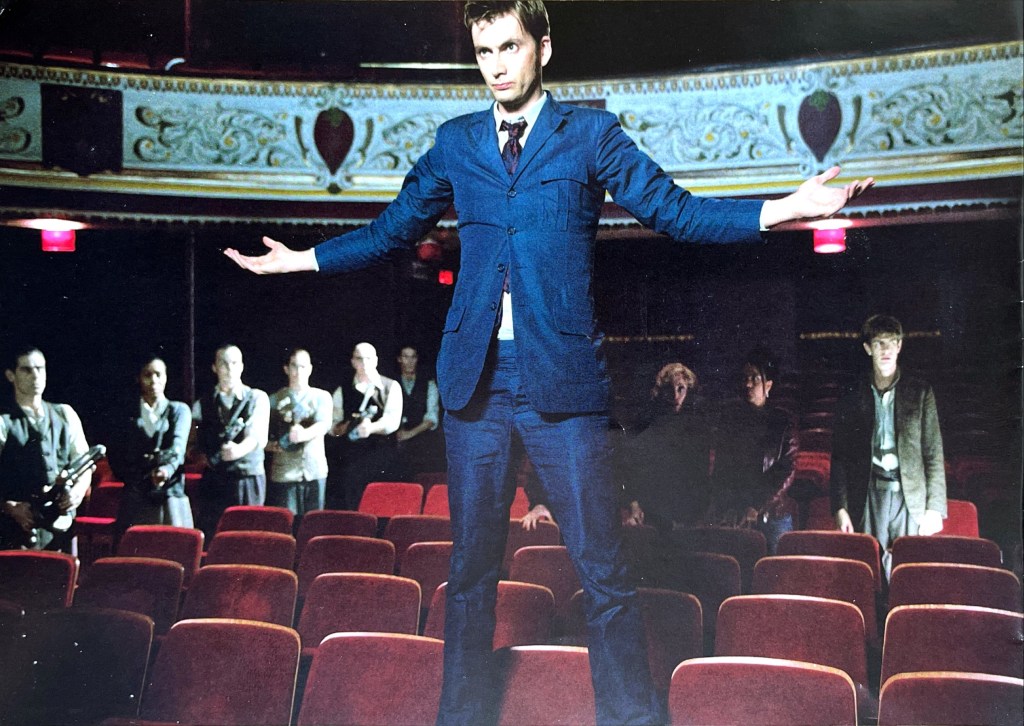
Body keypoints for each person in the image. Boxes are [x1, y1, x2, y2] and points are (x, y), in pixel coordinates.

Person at [223, 2, 872, 721]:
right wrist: (301, 261)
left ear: (544, 48)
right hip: (475, 388)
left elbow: (676, 210)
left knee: (604, 571)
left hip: (562, 386)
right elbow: (392, 228)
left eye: (508, 46)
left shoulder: (589, 135)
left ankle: (630, 718)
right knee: (468, 575)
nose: (495, 64)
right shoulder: (457, 142)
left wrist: (785, 208)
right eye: (482, 51)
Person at [831, 314, 946, 580]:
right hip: (868, 494)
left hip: (911, 499)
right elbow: (839, 457)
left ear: (900, 346)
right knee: (870, 573)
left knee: (909, 574)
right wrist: (840, 507)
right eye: (879, 343)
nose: (886, 350)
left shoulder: (921, 392)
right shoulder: (851, 394)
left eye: (892, 343)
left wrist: (934, 508)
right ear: (868, 349)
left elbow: (933, 453)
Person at [0, 346, 92, 551]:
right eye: (27, 370)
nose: (36, 376)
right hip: (17, 529)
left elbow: (85, 464)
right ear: (10, 375)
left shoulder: (65, 414)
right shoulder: (3, 421)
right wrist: (9, 506)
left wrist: (77, 492)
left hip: (60, 528)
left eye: (40, 369)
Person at [707, 350, 798, 554]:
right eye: (745, 378)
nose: (748, 384)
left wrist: (757, 505)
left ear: (768, 386)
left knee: (772, 571)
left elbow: (786, 471)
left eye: (755, 378)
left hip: (771, 512)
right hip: (735, 511)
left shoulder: (782, 421)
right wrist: (729, 505)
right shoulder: (730, 419)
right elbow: (722, 467)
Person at [619, 363, 711, 534]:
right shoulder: (649, 422)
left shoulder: (697, 426)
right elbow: (629, 465)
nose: (675, 397)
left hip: (686, 512)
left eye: (680, 389)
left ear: (688, 390)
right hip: (654, 509)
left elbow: (700, 478)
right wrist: (634, 503)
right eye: (670, 390)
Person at [191, 344, 270, 542]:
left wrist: (238, 450)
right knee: (214, 538)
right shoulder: (202, 403)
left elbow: (257, 436)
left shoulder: (257, 398)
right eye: (223, 363)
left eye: (234, 363)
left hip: (247, 479)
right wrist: (198, 456)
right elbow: (192, 442)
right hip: (214, 481)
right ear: (214, 367)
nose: (229, 368)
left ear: (242, 366)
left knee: (248, 539)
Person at [109, 356, 193, 534]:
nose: (154, 380)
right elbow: (117, 455)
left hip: (170, 496)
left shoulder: (179, 410)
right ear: (138, 378)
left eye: (158, 374)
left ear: (166, 377)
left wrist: (166, 470)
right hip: (135, 498)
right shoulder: (126, 414)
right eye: (148, 375)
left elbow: (178, 447)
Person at [328, 343, 402, 510]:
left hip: (382, 457)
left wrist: (371, 428)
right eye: (359, 358)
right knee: (352, 505)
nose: (364, 363)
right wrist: (343, 428)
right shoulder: (342, 390)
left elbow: (392, 421)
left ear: (375, 360)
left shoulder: (390, 387)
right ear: (353, 361)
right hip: (351, 460)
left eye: (368, 358)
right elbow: (333, 425)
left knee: (380, 506)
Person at [267, 348, 333, 526]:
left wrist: (304, 434)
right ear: (286, 369)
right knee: (286, 525)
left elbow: (324, 424)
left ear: (310, 369)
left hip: (314, 471)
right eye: (294, 366)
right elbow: (262, 435)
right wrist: (272, 445)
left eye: (303, 367)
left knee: (314, 525)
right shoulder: (273, 400)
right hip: (284, 472)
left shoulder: (321, 397)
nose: (298, 372)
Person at [394, 345, 442, 478]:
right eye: (405, 357)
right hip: (395, 441)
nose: (409, 361)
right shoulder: (391, 383)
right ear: (399, 359)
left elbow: (431, 418)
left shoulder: (429, 384)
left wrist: (409, 434)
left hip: (421, 441)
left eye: (413, 357)